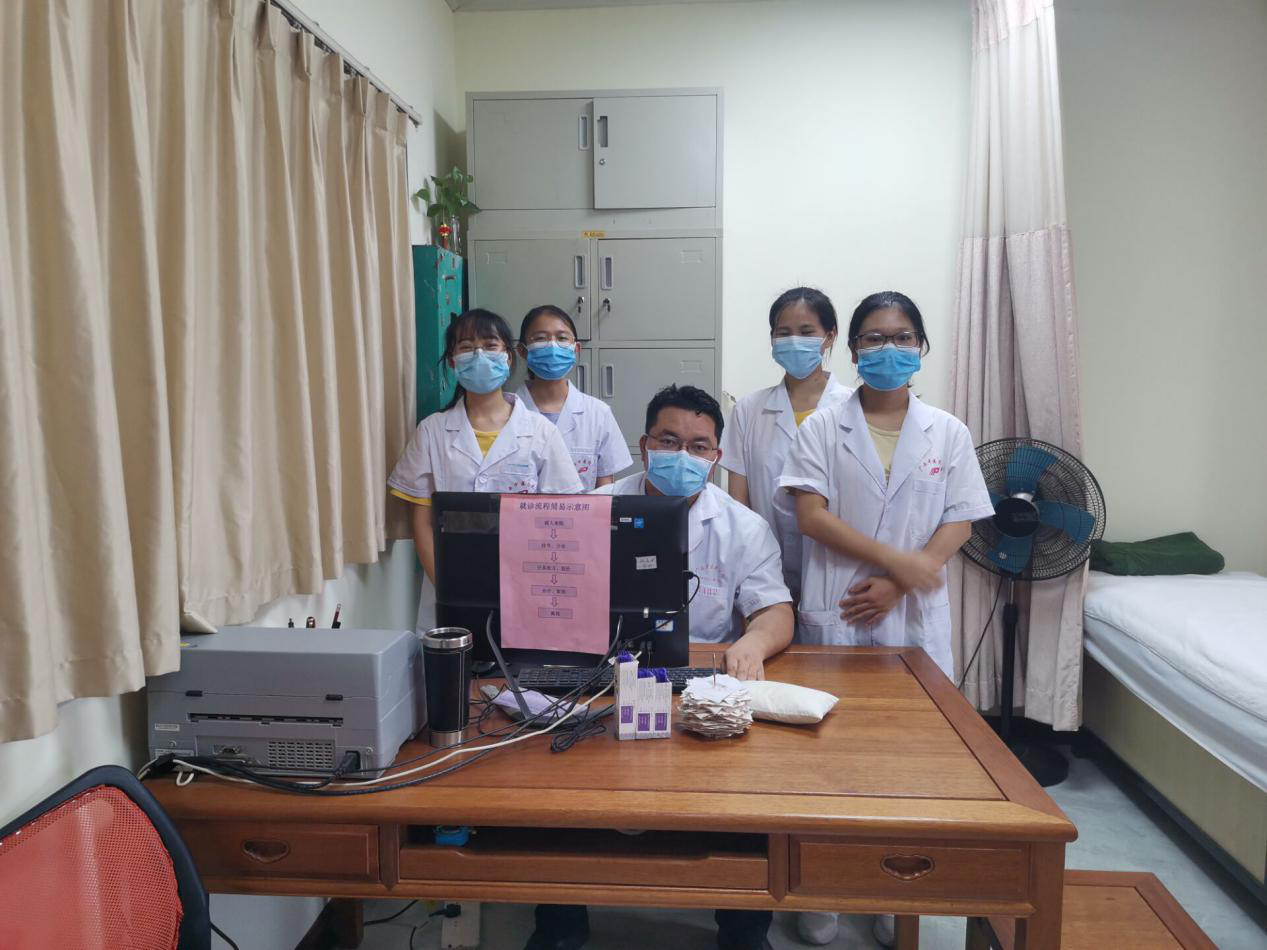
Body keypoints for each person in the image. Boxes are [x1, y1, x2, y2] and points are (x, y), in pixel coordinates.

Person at [527, 385, 793, 950]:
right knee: (557, 790)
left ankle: (742, 931)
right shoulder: (592, 509)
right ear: (644, 445)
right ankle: (559, 926)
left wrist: (754, 642)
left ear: (716, 457)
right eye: (669, 441)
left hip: (700, 687)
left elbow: (775, 610)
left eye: (699, 446)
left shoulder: (743, 526)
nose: (683, 456)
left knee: (745, 801)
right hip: (599, 679)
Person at [778, 291, 994, 948]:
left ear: (921, 347)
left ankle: (895, 895)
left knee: (908, 764)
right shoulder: (821, 427)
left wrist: (899, 584)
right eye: (873, 338)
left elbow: (959, 519)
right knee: (828, 761)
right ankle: (822, 894)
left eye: (901, 337)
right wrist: (898, 564)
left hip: (912, 617)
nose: (888, 349)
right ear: (852, 350)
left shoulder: (948, 432)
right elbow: (810, 516)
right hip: (839, 607)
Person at [388, 308, 582, 634]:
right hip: (449, 586)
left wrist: (532, 582)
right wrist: (450, 588)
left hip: (526, 585)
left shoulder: (540, 432)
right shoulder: (432, 431)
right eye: (466, 347)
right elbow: (422, 522)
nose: (479, 355)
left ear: (508, 357)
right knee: (452, 663)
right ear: (453, 361)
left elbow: (561, 519)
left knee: (521, 661)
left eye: (490, 345)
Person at [720, 287, 851, 600]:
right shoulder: (749, 410)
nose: (794, 341)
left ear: (830, 336)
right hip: (765, 568)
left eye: (806, 332)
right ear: (772, 339)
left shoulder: (852, 408)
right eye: (783, 333)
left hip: (838, 568)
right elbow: (739, 502)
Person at [514, 304, 632, 489]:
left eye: (562, 338)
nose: (553, 346)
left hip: (581, 509)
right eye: (540, 338)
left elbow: (605, 488)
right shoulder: (507, 412)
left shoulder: (598, 413)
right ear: (522, 350)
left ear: (576, 349)